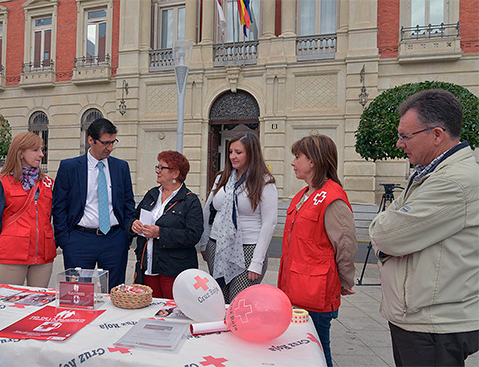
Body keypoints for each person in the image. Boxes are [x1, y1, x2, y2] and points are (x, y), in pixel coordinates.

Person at [369, 90, 479, 367]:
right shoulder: (431, 172)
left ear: (437, 134)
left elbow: (386, 234)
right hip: (422, 316)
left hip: (433, 323)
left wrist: (383, 229)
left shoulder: (452, 182)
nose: (398, 143)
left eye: (406, 136)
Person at [277, 134, 358, 367]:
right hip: (295, 288)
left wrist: (345, 281)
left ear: (313, 161)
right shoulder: (303, 195)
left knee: (318, 353)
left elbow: (345, 244)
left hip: (316, 292)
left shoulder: (332, 197)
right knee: (302, 353)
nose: (292, 163)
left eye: (297, 157)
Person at [53, 118, 135, 291]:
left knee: (115, 294)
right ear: (91, 140)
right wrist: (65, 240)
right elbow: (59, 206)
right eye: (105, 143)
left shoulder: (121, 167)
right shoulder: (70, 167)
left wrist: (125, 237)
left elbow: (128, 203)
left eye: (113, 143)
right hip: (79, 240)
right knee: (77, 294)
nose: (110, 148)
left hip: (114, 240)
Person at [199, 133, 277, 304]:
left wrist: (257, 262)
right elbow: (208, 210)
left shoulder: (265, 182)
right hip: (218, 246)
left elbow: (269, 223)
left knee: (238, 303)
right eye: (230, 152)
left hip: (248, 249)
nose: (233, 156)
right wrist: (204, 243)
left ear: (251, 153)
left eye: (238, 152)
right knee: (220, 302)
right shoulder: (222, 177)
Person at [0, 132, 56, 287]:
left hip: (43, 257)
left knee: (37, 304)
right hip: (12, 256)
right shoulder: (3, 182)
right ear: (21, 152)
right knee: (11, 306)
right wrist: (0, 249)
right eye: (35, 150)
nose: (41, 154)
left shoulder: (48, 183)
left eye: (42, 149)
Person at [128, 151, 203, 299]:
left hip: (173, 270)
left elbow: (193, 235)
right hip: (148, 267)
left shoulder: (190, 201)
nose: (157, 171)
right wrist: (133, 224)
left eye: (161, 168)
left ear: (175, 173)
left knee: (173, 311)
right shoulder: (152, 194)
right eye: (158, 167)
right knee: (149, 311)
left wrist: (160, 233)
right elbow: (133, 217)